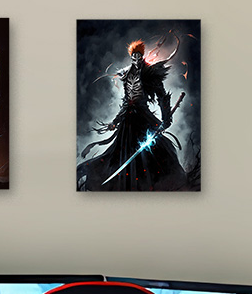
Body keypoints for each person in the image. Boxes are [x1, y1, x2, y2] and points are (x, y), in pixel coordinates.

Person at [77, 40, 187, 191]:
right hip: (128, 120)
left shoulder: (150, 73)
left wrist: (166, 118)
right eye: (133, 56)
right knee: (119, 154)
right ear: (131, 57)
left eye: (139, 55)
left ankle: (155, 184)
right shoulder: (126, 74)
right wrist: (116, 121)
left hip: (144, 118)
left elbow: (162, 96)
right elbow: (126, 101)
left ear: (142, 55)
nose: (136, 58)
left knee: (158, 151)